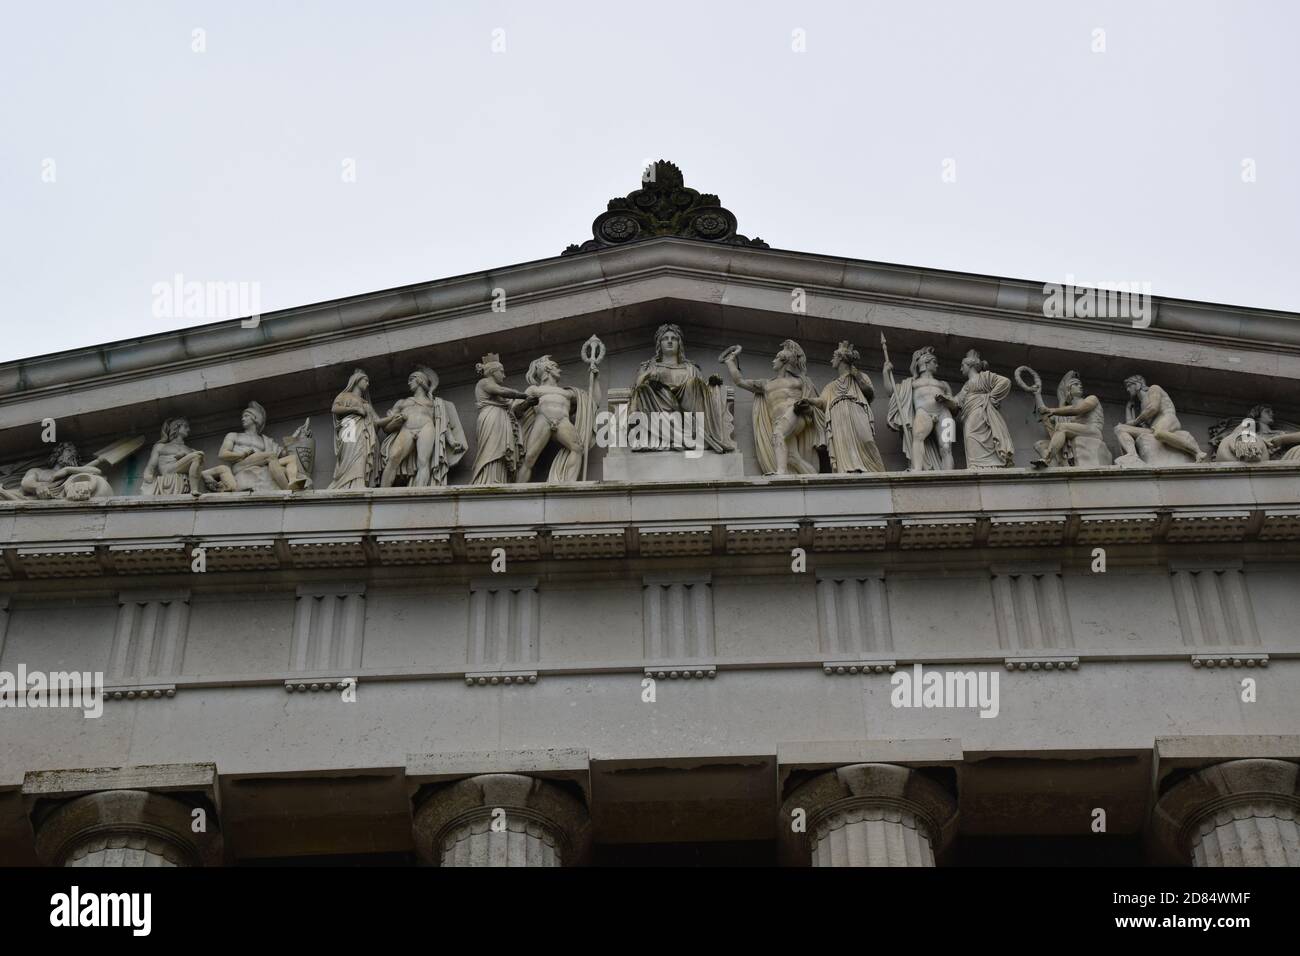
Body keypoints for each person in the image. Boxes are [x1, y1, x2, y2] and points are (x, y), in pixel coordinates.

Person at [720, 339, 826, 475]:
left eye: (776, 358)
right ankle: (814, 477)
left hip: (796, 414)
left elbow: (818, 400)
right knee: (793, 458)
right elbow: (740, 381)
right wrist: (730, 361)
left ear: (784, 361)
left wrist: (807, 403)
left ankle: (780, 472)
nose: (773, 361)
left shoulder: (799, 381)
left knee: (778, 434)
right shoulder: (765, 384)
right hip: (780, 421)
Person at [628, 324, 733, 453]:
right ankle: (676, 437)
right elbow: (637, 388)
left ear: (679, 343)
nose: (670, 341)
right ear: (659, 344)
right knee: (644, 389)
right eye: (665, 338)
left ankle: (690, 434)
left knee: (694, 382)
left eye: (674, 338)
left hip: (688, 409)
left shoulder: (691, 368)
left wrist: (711, 384)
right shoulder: (650, 367)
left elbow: (701, 393)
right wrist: (648, 375)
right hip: (659, 405)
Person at [379, 367, 466, 488]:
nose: (408, 383)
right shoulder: (402, 402)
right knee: (393, 457)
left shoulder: (435, 403)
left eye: (411, 379)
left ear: (419, 380)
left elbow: (443, 424)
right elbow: (387, 429)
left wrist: (452, 441)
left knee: (423, 462)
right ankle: (383, 492)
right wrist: (396, 421)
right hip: (406, 429)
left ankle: (419, 492)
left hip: (426, 428)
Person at [883, 343, 958, 472]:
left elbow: (955, 407)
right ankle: (916, 469)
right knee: (917, 438)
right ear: (925, 363)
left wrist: (946, 400)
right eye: (934, 362)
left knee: (947, 447)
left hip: (945, 413)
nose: (937, 365)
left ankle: (949, 474)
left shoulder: (943, 384)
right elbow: (892, 392)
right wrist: (885, 372)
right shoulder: (911, 383)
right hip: (923, 412)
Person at [817, 341, 884, 473]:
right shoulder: (831, 386)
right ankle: (847, 470)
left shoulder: (860, 376)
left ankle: (875, 470)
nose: (831, 360)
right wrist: (808, 401)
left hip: (857, 410)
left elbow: (870, 393)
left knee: (867, 440)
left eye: (834, 357)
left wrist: (857, 375)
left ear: (841, 358)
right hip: (838, 417)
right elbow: (821, 401)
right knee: (843, 442)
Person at [328, 369, 400, 490]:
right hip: (349, 428)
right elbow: (335, 408)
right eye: (365, 380)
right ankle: (345, 483)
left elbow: (377, 421)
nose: (368, 384)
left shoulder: (366, 404)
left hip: (365, 432)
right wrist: (355, 410)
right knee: (351, 456)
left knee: (362, 456)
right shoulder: (344, 395)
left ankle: (359, 483)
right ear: (357, 380)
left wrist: (392, 418)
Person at [470, 355, 535, 485]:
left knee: (503, 451)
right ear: (493, 371)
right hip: (491, 418)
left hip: (503, 420)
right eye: (502, 372)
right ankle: (487, 480)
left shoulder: (503, 398)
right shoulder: (484, 383)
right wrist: (523, 395)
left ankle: (500, 480)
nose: (504, 376)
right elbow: (502, 391)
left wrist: (528, 403)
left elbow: (517, 411)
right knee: (491, 449)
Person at [953, 349, 1015, 469]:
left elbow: (1005, 382)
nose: (961, 369)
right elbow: (957, 401)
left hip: (981, 411)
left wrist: (991, 397)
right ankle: (976, 465)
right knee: (970, 436)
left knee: (978, 436)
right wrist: (945, 399)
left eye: (962, 366)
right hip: (969, 413)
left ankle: (989, 465)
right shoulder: (966, 386)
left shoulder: (985, 376)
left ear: (969, 365)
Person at [141, 418, 207, 496]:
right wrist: (148, 480)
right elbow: (150, 467)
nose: (188, 429)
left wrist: (185, 455)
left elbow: (200, 467)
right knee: (197, 455)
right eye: (185, 427)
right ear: (176, 428)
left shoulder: (190, 450)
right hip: (167, 471)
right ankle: (194, 490)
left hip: (181, 470)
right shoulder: (161, 446)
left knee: (198, 456)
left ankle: (195, 489)